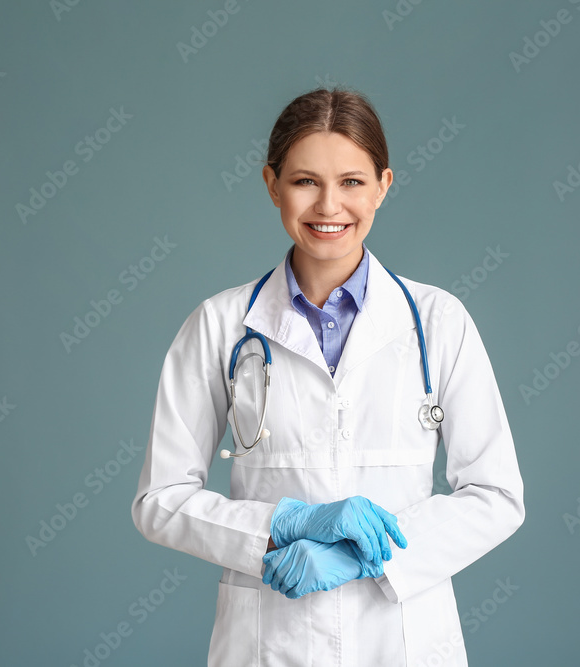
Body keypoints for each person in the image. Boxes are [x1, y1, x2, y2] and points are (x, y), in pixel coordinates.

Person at [130, 86, 525, 666]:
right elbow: (160, 500)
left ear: (384, 187)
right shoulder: (219, 326)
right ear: (272, 185)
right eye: (305, 181)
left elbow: (495, 496)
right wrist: (285, 523)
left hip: (402, 640)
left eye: (352, 182)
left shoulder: (439, 323)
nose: (328, 206)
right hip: (269, 640)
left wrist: (365, 556)